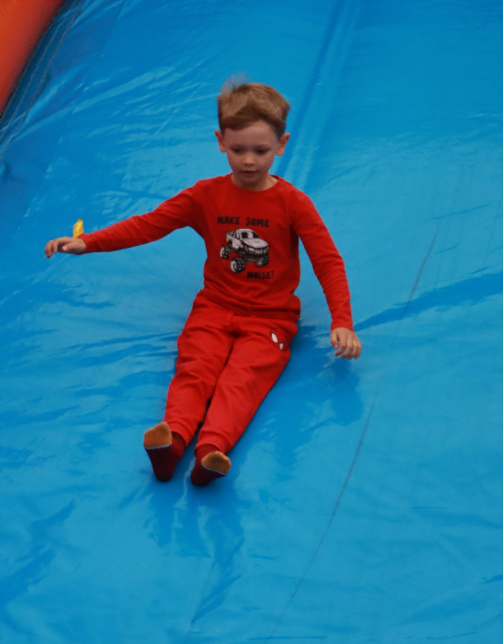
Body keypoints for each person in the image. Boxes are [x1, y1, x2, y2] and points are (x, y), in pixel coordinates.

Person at [45, 80, 361, 486]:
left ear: (282, 145)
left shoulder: (293, 204)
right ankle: (172, 439)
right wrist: (88, 242)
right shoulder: (205, 196)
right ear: (220, 142)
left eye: (261, 151)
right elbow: (149, 225)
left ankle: (210, 450)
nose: (248, 161)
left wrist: (342, 320)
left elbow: (328, 261)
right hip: (214, 308)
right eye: (238, 150)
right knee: (196, 368)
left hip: (270, 318)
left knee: (241, 379)